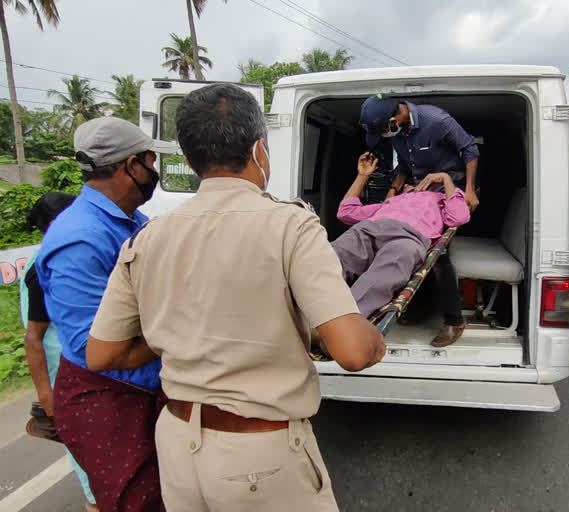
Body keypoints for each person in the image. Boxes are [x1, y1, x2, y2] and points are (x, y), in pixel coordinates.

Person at [84, 83, 386, 512]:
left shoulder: (148, 237)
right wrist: (373, 337)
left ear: (187, 161)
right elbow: (353, 352)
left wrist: (180, 331)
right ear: (260, 150)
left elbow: (101, 353)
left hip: (176, 443)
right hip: (259, 456)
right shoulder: (291, 226)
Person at [36, 117, 168, 512]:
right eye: (150, 160)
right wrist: (174, 331)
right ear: (131, 166)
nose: (154, 171)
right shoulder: (80, 237)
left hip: (142, 391)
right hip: (110, 400)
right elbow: (94, 347)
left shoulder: (132, 222)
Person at [359, 94, 480, 346]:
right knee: (409, 247)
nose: (384, 135)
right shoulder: (399, 134)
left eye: (383, 130)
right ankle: (418, 306)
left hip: (450, 187)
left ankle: (453, 320)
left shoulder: (436, 120)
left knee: (437, 254)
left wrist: (468, 189)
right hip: (420, 192)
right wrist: (392, 192)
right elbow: (404, 165)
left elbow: (470, 149)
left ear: (394, 119)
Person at [20, 193, 98, 512]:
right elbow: (33, 338)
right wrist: (46, 396)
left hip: (77, 371)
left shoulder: (58, 255)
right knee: (90, 465)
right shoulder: (44, 265)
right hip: (63, 374)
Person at [333, 152, 471, 320]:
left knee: (392, 265)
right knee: (333, 255)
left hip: (408, 238)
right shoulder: (393, 201)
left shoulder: (441, 200)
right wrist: (362, 176)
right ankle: (306, 312)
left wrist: (445, 179)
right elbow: (345, 213)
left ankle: (345, 322)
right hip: (369, 229)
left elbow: (459, 217)